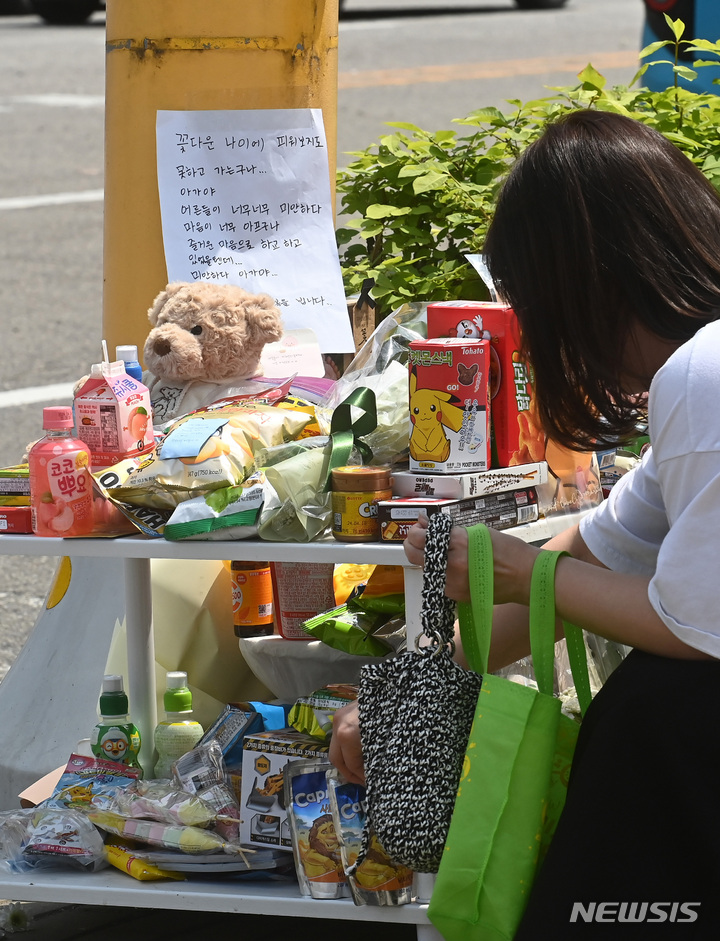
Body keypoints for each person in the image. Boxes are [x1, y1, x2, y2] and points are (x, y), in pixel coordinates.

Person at [329, 109, 720, 937]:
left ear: (587, 279)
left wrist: (522, 571)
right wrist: (415, 699)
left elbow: (695, 626)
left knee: (655, 708)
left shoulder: (707, 371)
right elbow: (599, 542)